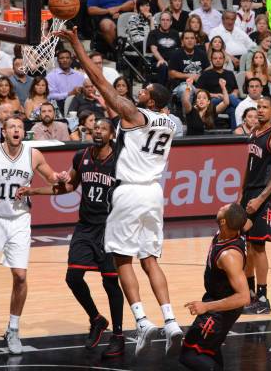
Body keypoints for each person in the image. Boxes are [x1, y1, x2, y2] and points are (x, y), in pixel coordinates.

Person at [57, 27, 184, 356]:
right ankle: (170, 320)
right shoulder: (168, 123)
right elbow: (125, 109)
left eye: (144, 93)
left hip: (129, 192)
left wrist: (75, 44)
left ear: (151, 101)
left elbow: (100, 80)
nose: (138, 93)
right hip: (155, 193)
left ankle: (142, 321)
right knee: (151, 260)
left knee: (122, 259)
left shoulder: (134, 113)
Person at [0, 116, 68, 354]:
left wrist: (60, 178)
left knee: (20, 276)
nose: (16, 130)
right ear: (4, 132)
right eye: (12, 127)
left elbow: (54, 182)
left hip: (20, 219)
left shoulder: (34, 155)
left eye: (20, 127)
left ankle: (13, 329)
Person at [18, 118, 126, 358]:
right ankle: (97, 319)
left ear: (111, 134)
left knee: (110, 283)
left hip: (111, 228)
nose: (98, 131)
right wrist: (33, 190)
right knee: (73, 277)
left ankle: (119, 335)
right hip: (86, 227)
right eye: (95, 127)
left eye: (103, 128)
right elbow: (68, 187)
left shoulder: (121, 158)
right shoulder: (81, 155)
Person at [179, 203, 250, 370]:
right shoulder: (232, 229)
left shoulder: (229, 256)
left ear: (224, 221)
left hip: (221, 308)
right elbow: (248, 223)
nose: (221, 206)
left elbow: (244, 297)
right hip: (215, 298)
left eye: (223, 208)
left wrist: (206, 306)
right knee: (210, 350)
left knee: (189, 355)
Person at [240, 97, 271, 315]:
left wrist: (259, 199)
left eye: (264, 107)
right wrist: (241, 193)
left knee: (258, 246)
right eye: (258, 107)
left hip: (266, 196)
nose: (260, 111)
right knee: (247, 245)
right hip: (249, 193)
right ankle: (248, 294)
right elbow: (247, 167)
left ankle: (263, 297)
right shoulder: (253, 133)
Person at [46, 50, 85, 114]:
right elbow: (50, 96)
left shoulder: (80, 75)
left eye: (67, 58)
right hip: (59, 106)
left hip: (79, 106)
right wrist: (69, 94)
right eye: (62, 58)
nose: (65, 60)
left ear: (71, 60)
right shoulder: (51, 76)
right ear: (58, 60)